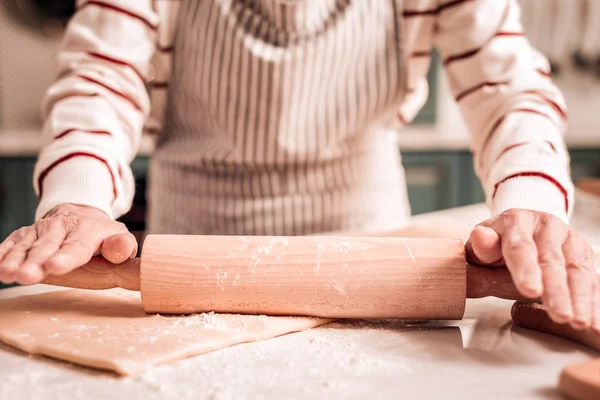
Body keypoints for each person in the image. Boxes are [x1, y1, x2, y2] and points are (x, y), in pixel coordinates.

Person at [0, 0, 597, 331]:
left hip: (373, 239)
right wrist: (78, 196)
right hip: (198, 240)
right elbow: (100, 78)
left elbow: (509, 88)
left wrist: (531, 203)